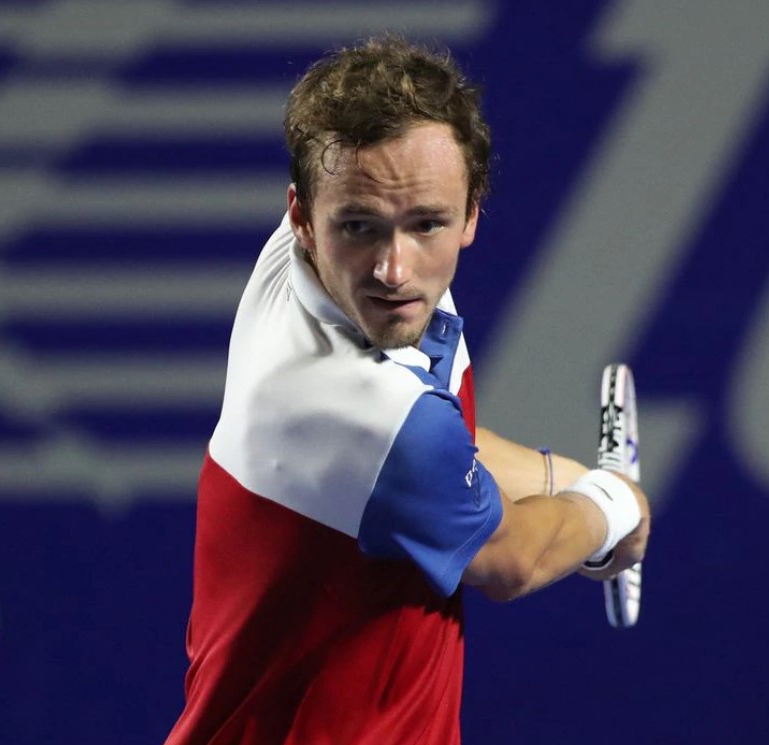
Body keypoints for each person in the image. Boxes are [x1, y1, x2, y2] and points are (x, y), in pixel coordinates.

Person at [165, 35, 650, 745]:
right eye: (359, 228)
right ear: (301, 217)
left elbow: (445, 458)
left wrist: (572, 478)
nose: (394, 269)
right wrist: (614, 509)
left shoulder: (317, 259)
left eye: (426, 224)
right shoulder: (362, 411)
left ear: (471, 212)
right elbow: (509, 557)